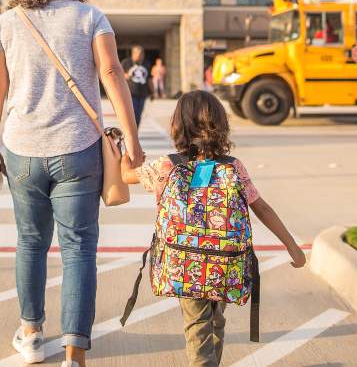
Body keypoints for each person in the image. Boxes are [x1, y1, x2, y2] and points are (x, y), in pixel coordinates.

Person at [0, 0, 145, 367]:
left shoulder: (6, 23)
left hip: (22, 150)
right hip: (79, 150)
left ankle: (32, 334)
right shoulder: (91, 17)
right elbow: (111, 73)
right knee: (79, 248)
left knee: (30, 243)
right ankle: (75, 353)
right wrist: (132, 138)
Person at [120, 90, 306, 367]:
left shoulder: (167, 166)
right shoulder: (233, 167)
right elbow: (262, 208)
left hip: (185, 264)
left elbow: (125, 176)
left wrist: (125, 157)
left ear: (178, 126)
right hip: (225, 263)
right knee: (216, 320)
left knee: (197, 327)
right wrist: (292, 246)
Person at [122, 45, 151, 126]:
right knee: (133, 113)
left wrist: (152, 92)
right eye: (139, 54)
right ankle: (132, 130)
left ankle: (135, 130)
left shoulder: (146, 63)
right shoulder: (126, 62)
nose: (141, 56)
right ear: (133, 54)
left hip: (143, 94)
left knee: (139, 114)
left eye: (142, 54)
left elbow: (149, 79)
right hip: (130, 93)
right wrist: (126, 75)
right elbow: (118, 75)